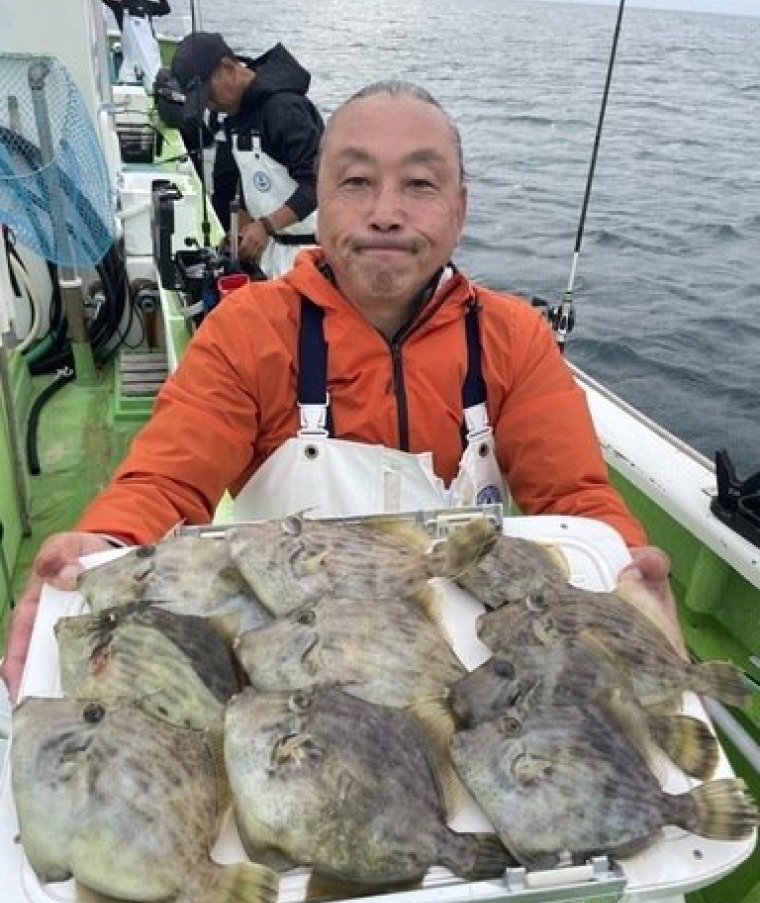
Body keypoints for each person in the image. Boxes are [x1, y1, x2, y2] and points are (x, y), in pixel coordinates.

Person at [1, 79, 676, 700]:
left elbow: (574, 499)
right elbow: (165, 486)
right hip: (292, 672)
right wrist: (106, 545)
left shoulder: (515, 338)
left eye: (419, 184)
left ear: (460, 208)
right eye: (356, 181)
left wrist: (622, 562)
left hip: (472, 670)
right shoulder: (248, 331)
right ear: (321, 200)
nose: (386, 212)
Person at [170, 31, 324, 278]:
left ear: (228, 67)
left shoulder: (285, 109)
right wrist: (239, 232)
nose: (210, 105)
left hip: (311, 253)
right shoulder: (234, 117)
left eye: (208, 95)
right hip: (272, 253)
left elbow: (318, 185)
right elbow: (238, 186)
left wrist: (266, 226)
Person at [102, 0, 171, 90]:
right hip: (131, 67)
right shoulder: (120, 6)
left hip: (151, 59)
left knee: (154, 83)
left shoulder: (147, 4)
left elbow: (165, 9)